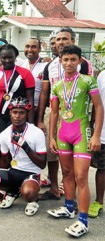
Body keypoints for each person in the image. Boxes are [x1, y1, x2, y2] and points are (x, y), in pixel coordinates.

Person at [46, 45, 103, 238]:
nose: (69, 63)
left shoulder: (88, 80)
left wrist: (96, 135)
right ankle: (69, 208)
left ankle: (83, 221)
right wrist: (51, 136)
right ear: (60, 62)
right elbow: (54, 112)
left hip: (81, 133)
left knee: (81, 176)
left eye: (73, 59)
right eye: (65, 60)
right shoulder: (56, 85)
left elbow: (99, 108)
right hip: (63, 134)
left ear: (80, 61)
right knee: (67, 173)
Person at [37, 27, 93, 200]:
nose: (61, 42)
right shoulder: (51, 65)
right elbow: (45, 92)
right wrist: (40, 119)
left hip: (76, 116)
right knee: (52, 153)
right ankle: (54, 188)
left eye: (65, 39)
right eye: (58, 39)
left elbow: (88, 93)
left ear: (73, 41)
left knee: (74, 162)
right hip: (54, 112)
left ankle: (71, 195)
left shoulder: (83, 63)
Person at [0, 97, 46, 216]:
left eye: (21, 113)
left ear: (27, 114)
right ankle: (12, 191)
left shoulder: (36, 133)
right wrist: (2, 188)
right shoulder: (4, 134)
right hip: (14, 171)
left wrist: (25, 147)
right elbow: (4, 159)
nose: (17, 116)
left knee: (28, 193)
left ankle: (33, 200)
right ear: (10, 114)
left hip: (31, 172)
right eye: (14, 112)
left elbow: (42, 164)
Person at [88, 69, 105, 218]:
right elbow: (96, 104)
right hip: (103, 132)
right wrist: (93, 129)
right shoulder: (102, 75)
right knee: (102, 168)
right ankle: (99, 202)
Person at [20, 37, 47, 121]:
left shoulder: (46, 65)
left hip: (38, 108)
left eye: (33, 47)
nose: (30, 49)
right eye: (27, 46)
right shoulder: (21, 65)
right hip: (21, 108)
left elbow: (46, 91)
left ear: (39, 49)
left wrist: (39, 109)